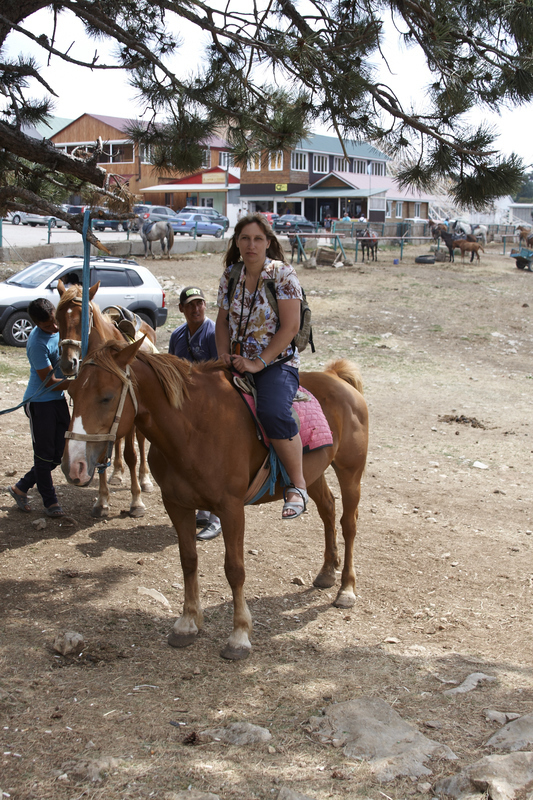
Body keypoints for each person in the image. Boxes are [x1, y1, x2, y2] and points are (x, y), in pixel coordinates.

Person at [215, 213, 307, 519]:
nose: (251, 244)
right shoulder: (230, 275)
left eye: (257, 239)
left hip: (277, 364)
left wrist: (258, 363)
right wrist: (222, 356)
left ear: (268, 242)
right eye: (244, 238)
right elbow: (221, 322)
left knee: (272, 411)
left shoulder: (283, 275)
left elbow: (290, 327)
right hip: (237, 360)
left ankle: (297, 485)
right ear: (237, 243)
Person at [168, 286, 221, 541]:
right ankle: (202, 507)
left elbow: (222, 371)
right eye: (190, 305)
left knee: (215, 458)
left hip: (212, 406)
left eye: (199, 303)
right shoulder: (177, 335)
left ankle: (217, 516)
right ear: (181, 309)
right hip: (187, 408)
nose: (196, 308)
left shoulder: (213, 333)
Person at [8, 299, 70, 517]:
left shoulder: (61, 328)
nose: (53, 328)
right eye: (46, 326)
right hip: (40, 402)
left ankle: (20, 487)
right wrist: (79, 382)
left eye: (54, 321)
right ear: (36, 324)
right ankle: (50, 502)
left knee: (59, 454)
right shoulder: (36, 343)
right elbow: (50, 381)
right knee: (44, 456)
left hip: (58, 400)